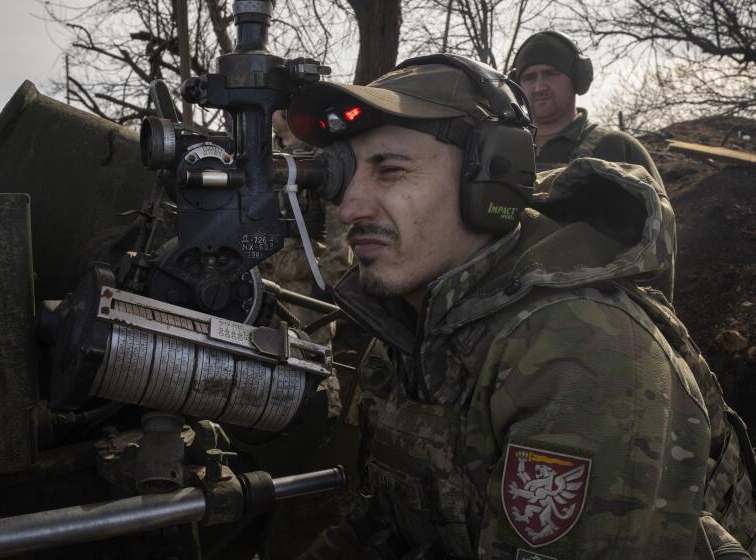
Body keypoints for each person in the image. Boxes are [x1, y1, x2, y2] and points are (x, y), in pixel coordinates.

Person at [284, 54, 755, 559]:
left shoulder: (583, 355)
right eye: (346, 176)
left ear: (489, 181)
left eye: (391, 170)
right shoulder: (408, 330)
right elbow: (382, 526)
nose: (350, 207)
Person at [511, 31, 675, 300]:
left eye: (551, 73)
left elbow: (658, 242)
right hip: (515, 309)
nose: (539, 86)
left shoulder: (617, 148)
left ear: (577, 79)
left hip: (600, 311)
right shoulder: (504, 151)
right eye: (529, 77)